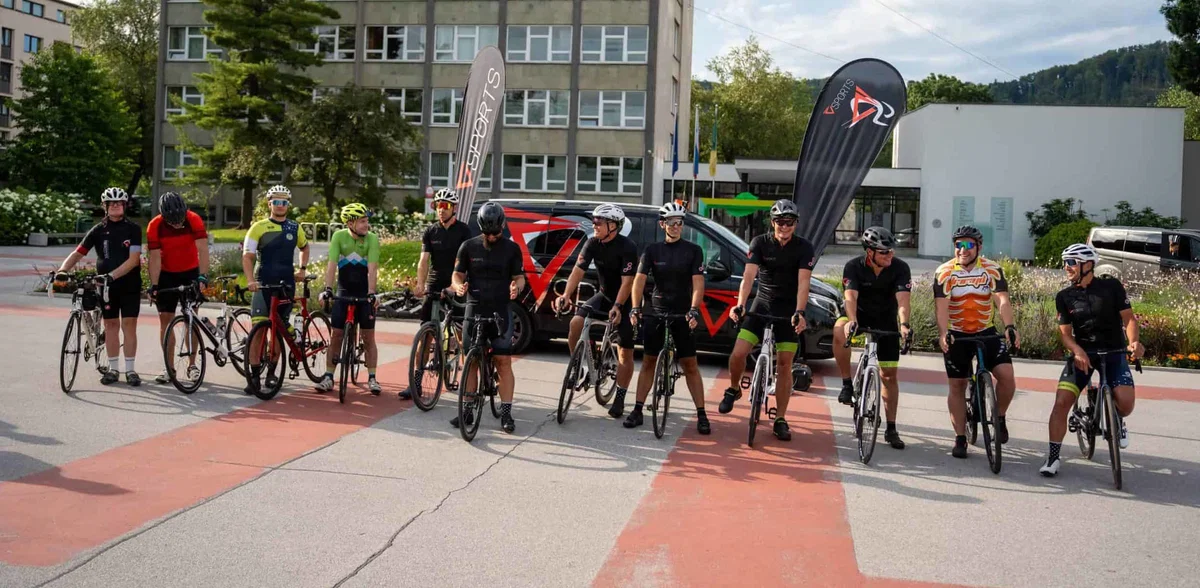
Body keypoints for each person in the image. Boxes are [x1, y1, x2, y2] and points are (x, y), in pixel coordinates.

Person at [1039, 243, 1144, 477]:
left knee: (1126, 405)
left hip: (1115, 352)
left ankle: (1117, 418)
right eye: (1065, 262)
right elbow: (1065, 335)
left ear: (1088, 265)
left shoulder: (1111, 287)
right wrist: (1077, 350)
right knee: (1061, 403)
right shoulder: (1064, 296)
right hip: (1083, 354)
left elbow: (1129, 319)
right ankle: (1053, 458)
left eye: (1071, 262)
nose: (1066, 268)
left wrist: (1134, 343)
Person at [720, 199, 816, 441]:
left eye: (789, 222)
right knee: (739, 353)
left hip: (788, 310)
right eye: (780, 222)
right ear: (772, 223)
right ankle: (733, 389)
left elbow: (804, 283)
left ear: (795, 224)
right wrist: (740, 304)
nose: (784, 226)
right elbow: (748, 276)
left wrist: (800, 312)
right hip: (761, 304)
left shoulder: (804, 247)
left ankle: (781, 418)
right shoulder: (760, 243)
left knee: (785, 364)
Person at [934, 225, 1020, 459]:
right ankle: (960, 437)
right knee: (957, 386)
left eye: (968, 245)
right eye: (958, 245)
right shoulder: (944, 272)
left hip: (986, 331)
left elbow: (1002, 300)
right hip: (957, 333)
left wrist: (1009, 326)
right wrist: (943, 333)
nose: (962, 249)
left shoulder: (992, 270)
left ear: (979, 247)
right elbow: (941, 308)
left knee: (1007, 377)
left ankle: (999, 417)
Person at [624, 202, 710, 435]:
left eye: (679, 222)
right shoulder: (652, 250)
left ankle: (702, 413)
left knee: (690, 364)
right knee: (649, 361)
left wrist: (693, 310)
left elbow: (697, 283)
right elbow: (639, 279)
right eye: (670, 222)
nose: (675, 226)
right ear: (662, 224)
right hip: (657, 309)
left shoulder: (693, 251)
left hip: (682, 311)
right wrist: (635, 308)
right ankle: (638, 409)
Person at [552, 203, 639, 418]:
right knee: (575, 323)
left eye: (599, 222)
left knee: (624, 351)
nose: (595, 225)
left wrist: (619, 307)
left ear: (613, 225)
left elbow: (628, 283)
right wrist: (565, 295)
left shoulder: (627, 247)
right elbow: (577, 271)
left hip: (624, 300)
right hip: (604, 295)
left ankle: (619, 396)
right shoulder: (592, 243)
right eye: (594, 221)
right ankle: (578, 366)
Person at [449, 202, 526, 434]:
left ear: (502, 227)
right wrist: (458, 286)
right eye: (487, 232)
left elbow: (519, 277)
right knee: (471, 360)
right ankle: (468, 408)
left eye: (496, 232)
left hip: (500, 309)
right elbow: (457, 274)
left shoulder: (512, 249)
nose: (492, 236)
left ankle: (506, 412)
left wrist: (517, 287)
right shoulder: (468, 247)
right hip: (475, 307)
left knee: (503, 361)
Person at [55, 187, 144, 386]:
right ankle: (113, 370)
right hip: (106, 288)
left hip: (128, 284)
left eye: (119, 203)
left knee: (129, 326)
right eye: (111, 203)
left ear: (125, 205)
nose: (115, 206)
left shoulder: (133, 229)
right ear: (105, 207)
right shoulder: (98, 230)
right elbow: (78, 252)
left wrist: (111, 276)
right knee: (111, 326)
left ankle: (130, 370)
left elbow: (133, 260)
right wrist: (62, 270)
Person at [834, 226, 913, 450]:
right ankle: (847, 383)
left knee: (889, 376)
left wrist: (904, 325)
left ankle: (891, 428)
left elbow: (903, 302)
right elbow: (850, 297)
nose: (890, 255)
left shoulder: (900, 268)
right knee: (839, 329)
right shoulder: (853, 267)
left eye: (891, 251)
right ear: (870, 252)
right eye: (884, 252)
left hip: (886, 321)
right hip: (858, 317)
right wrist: (851, 320)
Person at [399, 188, 473, 400]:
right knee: (425, 334)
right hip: (435, 282)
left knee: (461, 336)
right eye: (437, 206)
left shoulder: (464, 231)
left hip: (457, 283)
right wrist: (421, 284)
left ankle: (468, 380)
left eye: (445, 206)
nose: (441, 210)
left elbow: (467, 263)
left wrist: (455, 286)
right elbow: (424, 260)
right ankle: (416, 385)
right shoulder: (431, 231)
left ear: (454, 209)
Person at [242, 185, 310, 395]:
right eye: (277, 202)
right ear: (269, 204)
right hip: (263, 283)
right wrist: (251, 280)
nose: (281, 206)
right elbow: (248, 256)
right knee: (259, 330)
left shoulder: (294, 227)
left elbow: (305, 247)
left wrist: (302, 269)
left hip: (286, 283)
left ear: (288, 205)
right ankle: (253, 375)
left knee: (278, 329)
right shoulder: (258, 227)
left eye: (284, 202)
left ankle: (271, 372)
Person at [317, 203, 382, 395]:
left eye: (367, 220)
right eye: (362, 221)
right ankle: (329, 376)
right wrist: (327, 289)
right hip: (344, 290)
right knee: (336, 334)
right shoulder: (339, 236)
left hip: (363, 292)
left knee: (368, 337)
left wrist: (371, 293)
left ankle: (372, 377)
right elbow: (331, 266)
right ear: (351, 223)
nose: (366, 225)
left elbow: (372, 268)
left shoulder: (372, 239)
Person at [147, 191, 210, 385]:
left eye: (179, 220)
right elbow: (155, 258)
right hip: (167, 274)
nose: (176, 224)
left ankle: (192, 365)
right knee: (166, 321)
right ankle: (169, 367)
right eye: (172, 222)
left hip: (190, 272)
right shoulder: (155, 226)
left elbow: (203, 250)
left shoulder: (193, 219)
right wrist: (154, 285)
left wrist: (203, 276)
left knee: (191, 319)